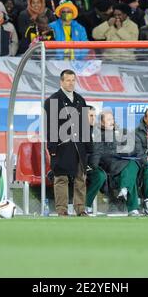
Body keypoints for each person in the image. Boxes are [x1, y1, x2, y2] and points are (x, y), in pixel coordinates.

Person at [44, 69, 91, 216]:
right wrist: (52, 148)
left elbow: (85, 125)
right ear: (61, 82)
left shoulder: (80, 99)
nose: (71, 83)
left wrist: (88, 146)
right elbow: (50, 127)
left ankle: (80, 209)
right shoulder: (52, 101)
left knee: (80, 179)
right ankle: (62, 210)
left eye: (73, 80)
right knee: (61, 178)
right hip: (62, 147)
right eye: (68, 80)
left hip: (79, 147)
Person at [90, 110, 141, 216]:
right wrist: (94, 166)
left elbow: (133, 149)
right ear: (102, 122)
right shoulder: (99, 135)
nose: (111, 121)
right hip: (110, 167)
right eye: (108, 119)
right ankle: (132, 208)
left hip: (123, 164)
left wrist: (123, 152)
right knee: (131, 169)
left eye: (112, 118)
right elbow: (98, 154)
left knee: (133, 165)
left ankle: (124, 189)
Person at [85, 106, 107, 216]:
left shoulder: (97, 132)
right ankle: (75, 205)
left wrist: (92, 166)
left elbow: (97, 152)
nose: (93, 118)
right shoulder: (74, 131)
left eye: (94, 116)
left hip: (90, 166)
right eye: (90, 115)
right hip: (76, 166)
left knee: (100, 175)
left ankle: (85, 205)